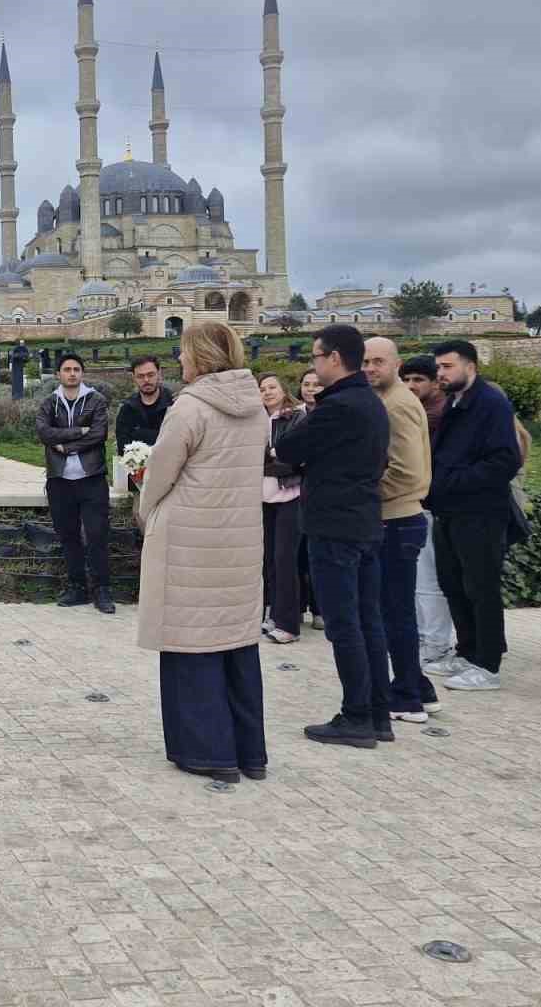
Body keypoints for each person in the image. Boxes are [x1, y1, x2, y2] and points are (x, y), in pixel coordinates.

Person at [134, 322, 266, 783]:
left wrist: (146, 513)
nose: (180, 361)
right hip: (240, 538)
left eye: (185, 353)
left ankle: (207, 751)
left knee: (191, 644)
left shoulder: (189, 408)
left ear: (201, 356)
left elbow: (160, 474)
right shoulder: (256, 409)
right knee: (235, 645)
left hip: (190, 539)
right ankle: (249, 753)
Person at [275, 325, 392, 749]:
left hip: (335, 527)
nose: (313, 364)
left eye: (317, 357)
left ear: (336, 359)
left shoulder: (338, 407)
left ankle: (357, 716)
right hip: (363, 522)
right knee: (367, 620)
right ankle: (378, 712)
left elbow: (288, 449)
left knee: (344, 624)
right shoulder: (371, 403)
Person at [424, 340, 522, 692]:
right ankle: (467, 652)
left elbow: (505, 460)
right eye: (439, 367)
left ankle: (488, 663)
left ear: (470, 366)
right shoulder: (454, 402)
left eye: (448, 366)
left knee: (481, 587)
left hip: (480, 512)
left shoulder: (491, 404)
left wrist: (454, 482)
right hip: (449, 510)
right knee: (453, 583)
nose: (441, 373)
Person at [361, 338, 439, 723]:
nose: (371, 368)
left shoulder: (398, 405)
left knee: (395, 611)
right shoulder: (390, 401)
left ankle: (407, 696)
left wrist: (366, 495)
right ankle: (419, 686)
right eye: (365, 362)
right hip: (394, 516)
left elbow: (408, 470)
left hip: (396, 519)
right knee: (395, 608)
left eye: (378, 361)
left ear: (396, 363)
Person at [36, 353, 113, 614]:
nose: (72, 373)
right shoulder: (50, 402)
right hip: (59, 481)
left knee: (96, 535)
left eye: (76, 369)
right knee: (68, 537)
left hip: (91, 479)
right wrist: (77, 432)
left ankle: (101, 589)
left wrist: (65, 447)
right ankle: (76, 588)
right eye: (67, 369)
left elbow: (99, 434)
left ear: (82, 373)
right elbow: (43, 432)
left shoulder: (96, 400)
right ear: (59, 374)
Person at [400, 355, 453, 664]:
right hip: (413, 504)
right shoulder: (413, 412)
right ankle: (425, 636)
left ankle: (437, 642)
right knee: (418, 579)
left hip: (432, 504)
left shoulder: (440, 416)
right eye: (406, 379)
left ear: (435, 383)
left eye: (418, 380)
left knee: (430, 580)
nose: (411, 386)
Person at [256, 374, 303, 643]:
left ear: (284, 389)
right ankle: (274, 613)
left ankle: (289, 624)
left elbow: (293, 459)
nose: (267, 392)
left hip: (288, 495)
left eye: (272, 387)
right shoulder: (257, 419)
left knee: (285, 560)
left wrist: (270, 458)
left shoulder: (296, 417)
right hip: (263, 499)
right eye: (262, 389)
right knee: (269, 560)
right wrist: (271, 457)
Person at [114, 356, 173, 494]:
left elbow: (177, 443)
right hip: (139, 482)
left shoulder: (174, 404)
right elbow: (124, 448)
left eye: (150, 375)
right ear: (134, 378)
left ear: (159, 374)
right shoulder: (127, 409)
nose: (146, 380)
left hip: (172, 481)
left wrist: (140, 436)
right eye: (140, 376)